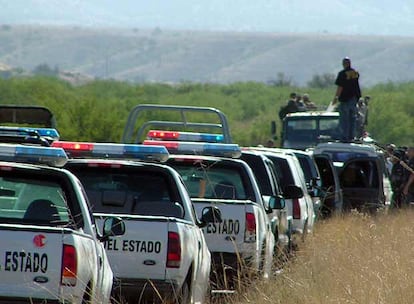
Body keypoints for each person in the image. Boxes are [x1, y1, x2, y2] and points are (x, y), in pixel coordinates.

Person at [332, 57, 361, 141]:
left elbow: (340, 87)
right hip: (354, 98)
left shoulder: (342, 74)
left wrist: (336, 98)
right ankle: (351, 136)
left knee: (344, 119)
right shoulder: (355, 73)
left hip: (345, 99)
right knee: (352, 118)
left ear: (344, 64)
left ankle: (345, 137)